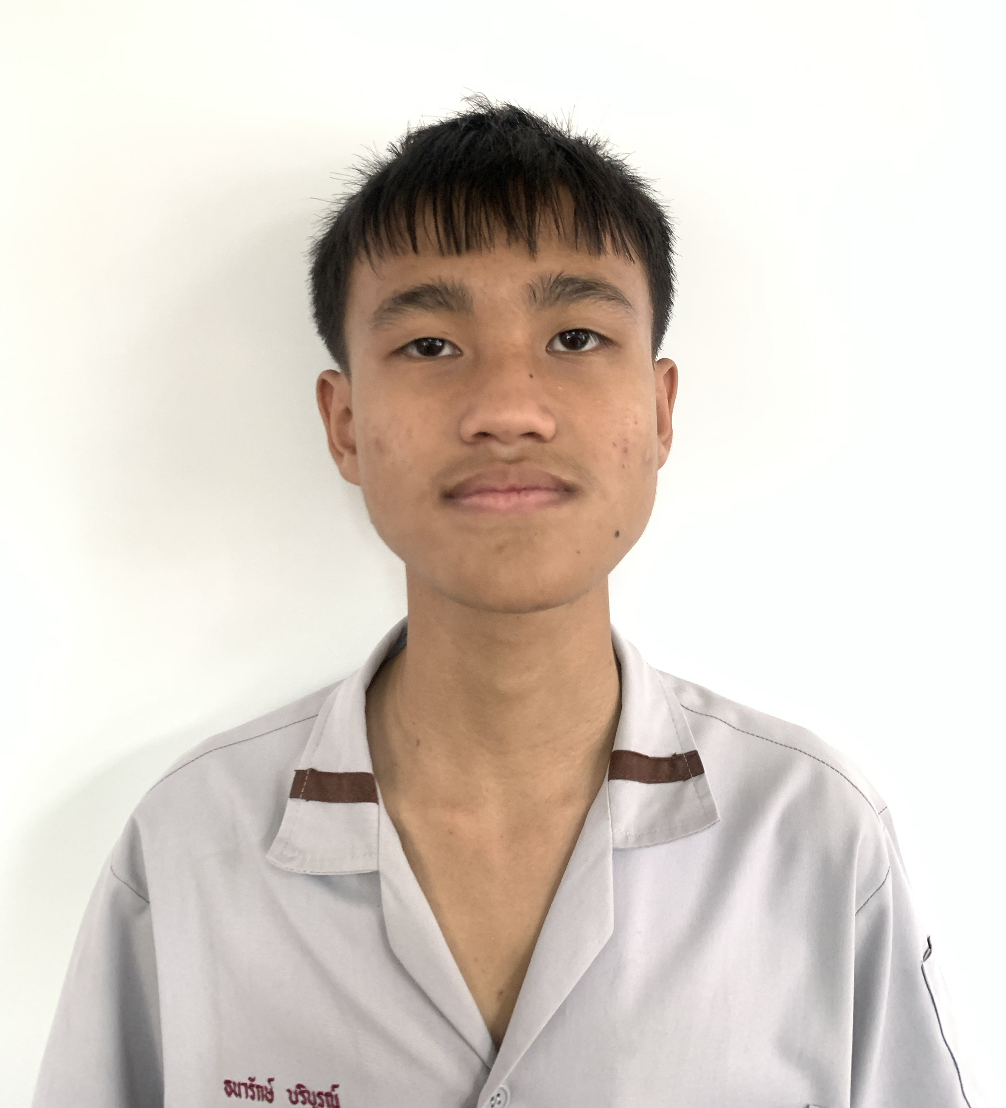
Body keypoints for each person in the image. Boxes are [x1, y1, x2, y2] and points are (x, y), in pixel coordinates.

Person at [34, 99, 977, 1108]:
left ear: (659, 410)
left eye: (574, 335)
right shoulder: (191, 845)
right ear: (344, 423)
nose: (508, 410)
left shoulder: (810, 836)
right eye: (430, 346)